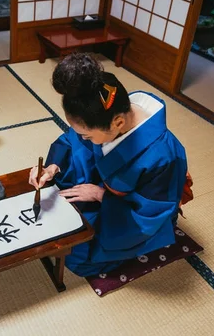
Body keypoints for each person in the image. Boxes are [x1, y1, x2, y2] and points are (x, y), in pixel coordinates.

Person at [29, 53, 189, 277]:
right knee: (58, 211)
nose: (82, 138)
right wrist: (52, 167)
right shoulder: (105, 108)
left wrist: (101, 195)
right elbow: (72, 142)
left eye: (87, 135)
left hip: (131, 213)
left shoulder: (164, 156)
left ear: (119, 123)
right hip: (108, 184)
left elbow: (150, 213)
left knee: (75, 255)